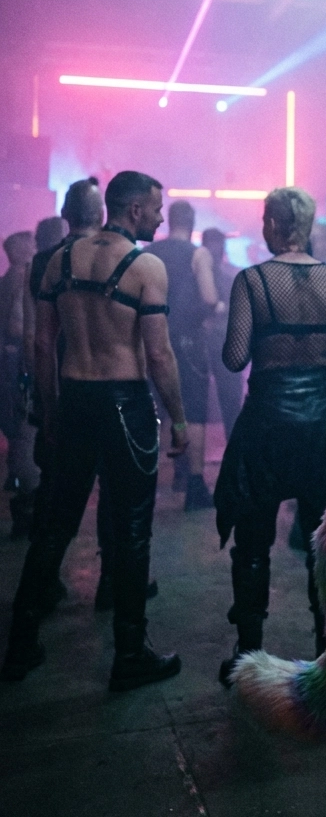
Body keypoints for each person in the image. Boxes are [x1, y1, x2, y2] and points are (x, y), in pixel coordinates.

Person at [1, 170, 188, 689]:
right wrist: (177, 416)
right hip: (125, 406)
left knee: (54, 525)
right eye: (156, 207)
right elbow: (158, 353)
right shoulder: (144, 266)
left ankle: (19, 645)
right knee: (129, 529)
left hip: (75, 397)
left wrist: (51, 410)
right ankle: (129, 654)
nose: (160, 216)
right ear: (132, 210)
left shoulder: (57, 260)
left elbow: (42, 346)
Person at [214, 187, 326, 685]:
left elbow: (235, 358)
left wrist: (270, 338)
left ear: (274, 225)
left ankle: (248, 653)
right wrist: (319, 348)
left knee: (253, 540)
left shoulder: (253, 281)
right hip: (324, 420)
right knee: (324, 543)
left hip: (267, 421)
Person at [145, 200, 220, 510]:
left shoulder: (149, 253)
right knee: (194, 412)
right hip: (188, 342)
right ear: (192, 224)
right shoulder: (197, 254)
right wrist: (200, 315)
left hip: (151, 339)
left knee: (158, 410)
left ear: (167, 221)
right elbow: (210, 297)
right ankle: (194, 484)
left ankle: (154, 480)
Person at [1, 232, 38, 538]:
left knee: (15, 427)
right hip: (15, 363)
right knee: (23, 430)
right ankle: (26, 504)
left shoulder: (6, 279)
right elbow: (16, 325)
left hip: (7, 362)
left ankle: (15, 479)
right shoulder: (19, 280)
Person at [201, 228, 243, 440]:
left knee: (229, 401)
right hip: (222, 342)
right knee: (229, 401)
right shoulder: (230, 274)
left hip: (219, 342)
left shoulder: (228, 274)